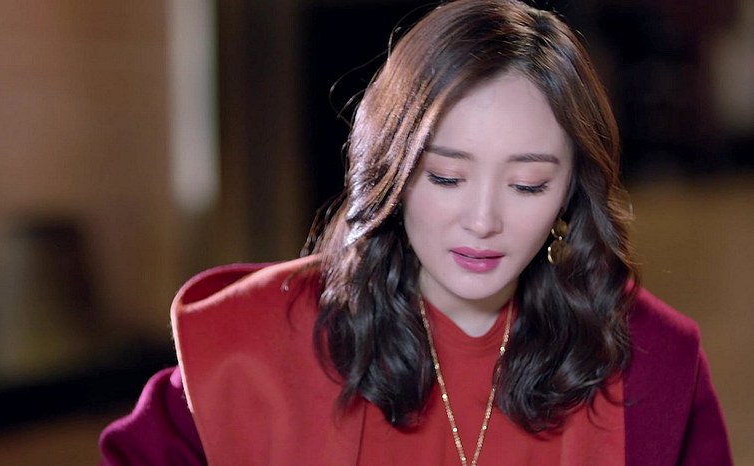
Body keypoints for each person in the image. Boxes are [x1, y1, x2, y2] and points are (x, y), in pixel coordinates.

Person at [99, 1, 733, 464]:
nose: (482, 221)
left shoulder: (652, 361)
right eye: (447, 177)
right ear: (392, 172)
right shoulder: (252, 347)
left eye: (528, 185)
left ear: (571, 191)